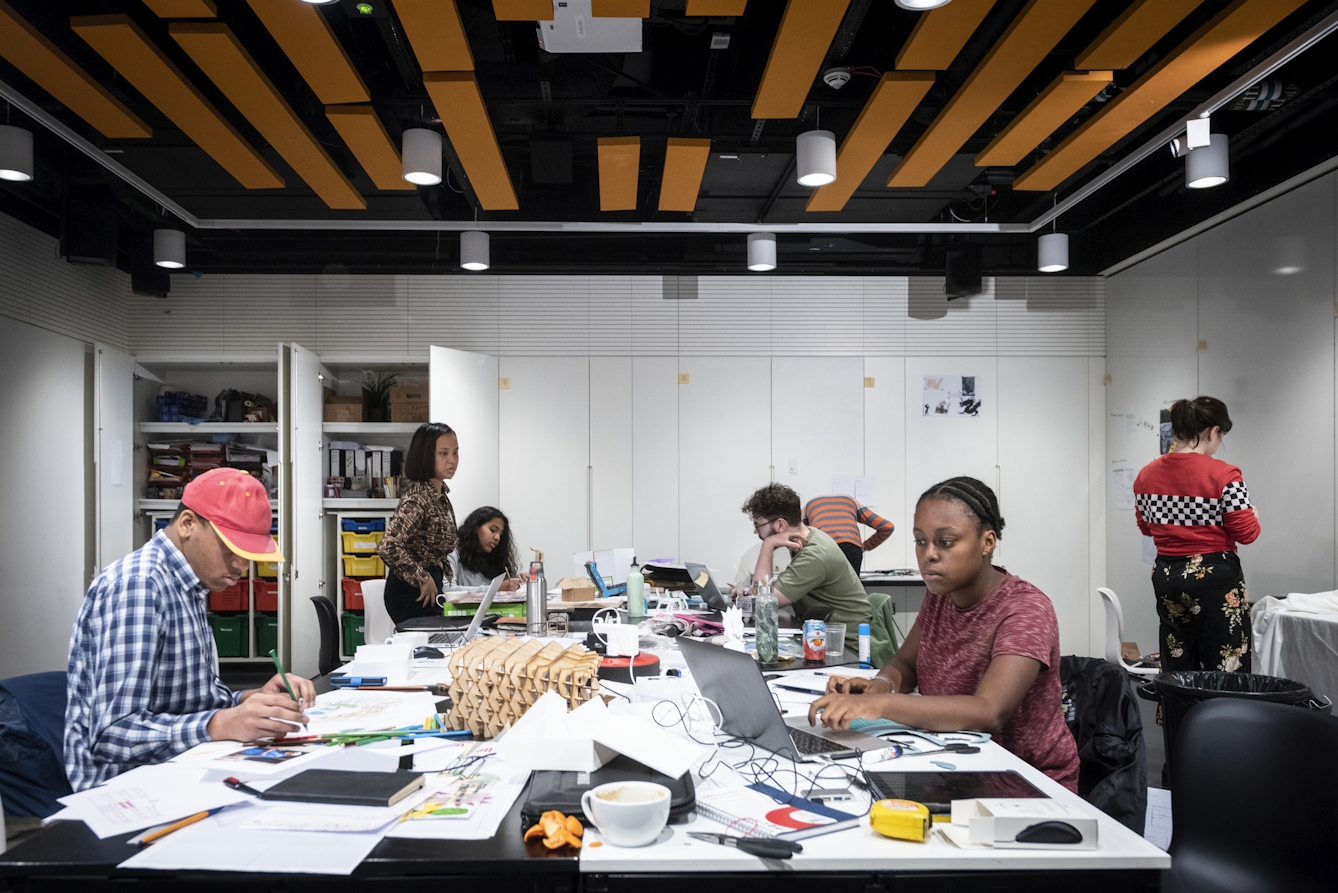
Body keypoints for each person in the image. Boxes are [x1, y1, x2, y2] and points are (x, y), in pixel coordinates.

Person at [807, 477, 1080, 793]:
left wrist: (880, 705)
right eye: (920, 541)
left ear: (987, 542)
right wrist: (878, 686)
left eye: (945, 542)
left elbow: (987, 712)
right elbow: (905, 664)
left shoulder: (1025, 609)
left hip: (1022, 784)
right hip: (952, 769)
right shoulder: (941, 595)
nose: (929, 555)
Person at [64, 467, 315, 792]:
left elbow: (190, 702)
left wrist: (249, 701)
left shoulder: (189, 583)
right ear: (187, 525)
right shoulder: (140, 587)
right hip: (125, 789)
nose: (241, 564)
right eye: (231, 548)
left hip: (181, 765)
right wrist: (221, 723)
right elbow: (112, 734)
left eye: (248, 552)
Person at [1134, 396, 1260, 673]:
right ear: (1213, 431)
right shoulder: (1225, 474)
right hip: (1213, 576)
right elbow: (1247, 532)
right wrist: (1255, 514)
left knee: (1177, 656)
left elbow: (1146, 526)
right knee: (1226, 660)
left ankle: (1180, 716)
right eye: (1221, 435)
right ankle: (1222, 715)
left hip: (1166, 573)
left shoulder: (1145, 475)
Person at [743, 483, 870, 653]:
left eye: (758, 525)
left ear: (780, 525)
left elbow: (763, 603)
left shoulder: (814, 555)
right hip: (820, 637)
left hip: (844, 649)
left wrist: (768, 544)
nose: (755, 531)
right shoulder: (808, 539)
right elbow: (763, 594)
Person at [378, 422, 460, 624]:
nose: (452, 460)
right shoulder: (419, 497)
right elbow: (388, 546)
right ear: (425, 455)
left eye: (455, 453)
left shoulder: (439, 494)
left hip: (430, 583)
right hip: (411, 590)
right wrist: (422, 577)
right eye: (443, 453)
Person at [804, 494, 895, 574]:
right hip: (850, 547)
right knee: (852, 591)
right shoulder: (850, 500)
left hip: (822, 547)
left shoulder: (808, 506)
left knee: (821, 591)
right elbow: (887, 527)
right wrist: (865, 547)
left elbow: (797, 535)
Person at [448, 506, 522, 591]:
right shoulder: (453, 550)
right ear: (476, 527)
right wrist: (494, 589)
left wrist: (518, 580)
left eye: (501, 534)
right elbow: (448, 589)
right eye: (493, 530)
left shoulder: (493, 557)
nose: (497, 537)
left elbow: (505, 586)